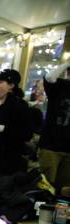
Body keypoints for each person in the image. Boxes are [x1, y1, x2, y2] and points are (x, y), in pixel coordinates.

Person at [0, 69, 32, 176]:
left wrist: (4, 129)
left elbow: (27, 134)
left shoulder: (20, 106)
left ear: (11, 85)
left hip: (9, 163)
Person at [39, 58, 70, 192]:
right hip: (51, 147)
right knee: (46, 187)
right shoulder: (61, 86)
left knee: (64, 189)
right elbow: (49, 77)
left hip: (69, 150)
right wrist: (67, 63)